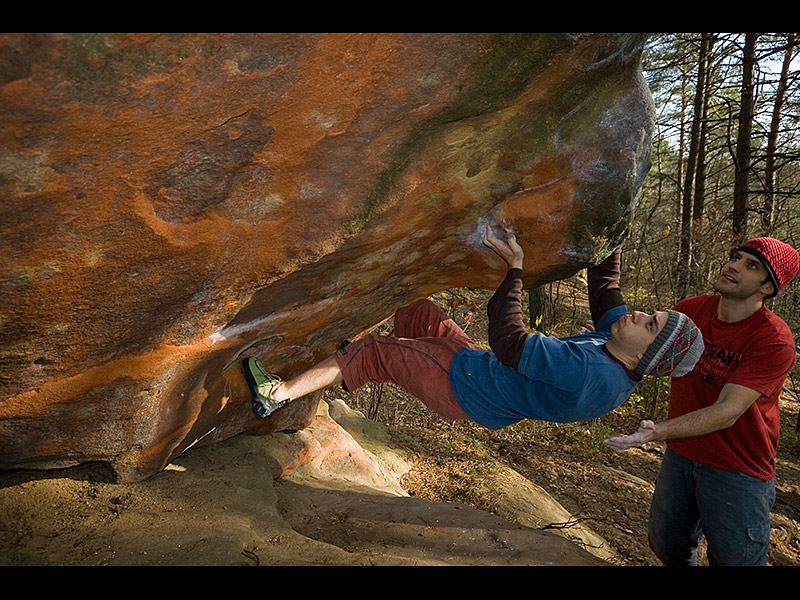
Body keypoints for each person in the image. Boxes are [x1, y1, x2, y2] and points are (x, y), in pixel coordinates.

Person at [243, 224, 702, 434]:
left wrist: (515, 269)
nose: (639, 315)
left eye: (651, 324)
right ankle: (348, 364)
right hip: (479, 373)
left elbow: (509, 341)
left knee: (374, 351)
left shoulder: (590, 373)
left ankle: (277, 394)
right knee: (418, 309)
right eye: (651, 312)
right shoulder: (617, 342)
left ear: (648, 356)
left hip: (466, 385)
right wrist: (614, 227)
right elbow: (606, 288)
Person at [604, 237, 799, 566]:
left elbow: (728, 411)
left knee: (737, 560)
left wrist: (656, 432)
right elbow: (648, 355)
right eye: (736, 257)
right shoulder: (691, 310)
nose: (734, 265)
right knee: (667, 544)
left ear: (768, 286)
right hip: (681, 455)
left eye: (751, 266)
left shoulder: (773, 340)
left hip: (738, 469)